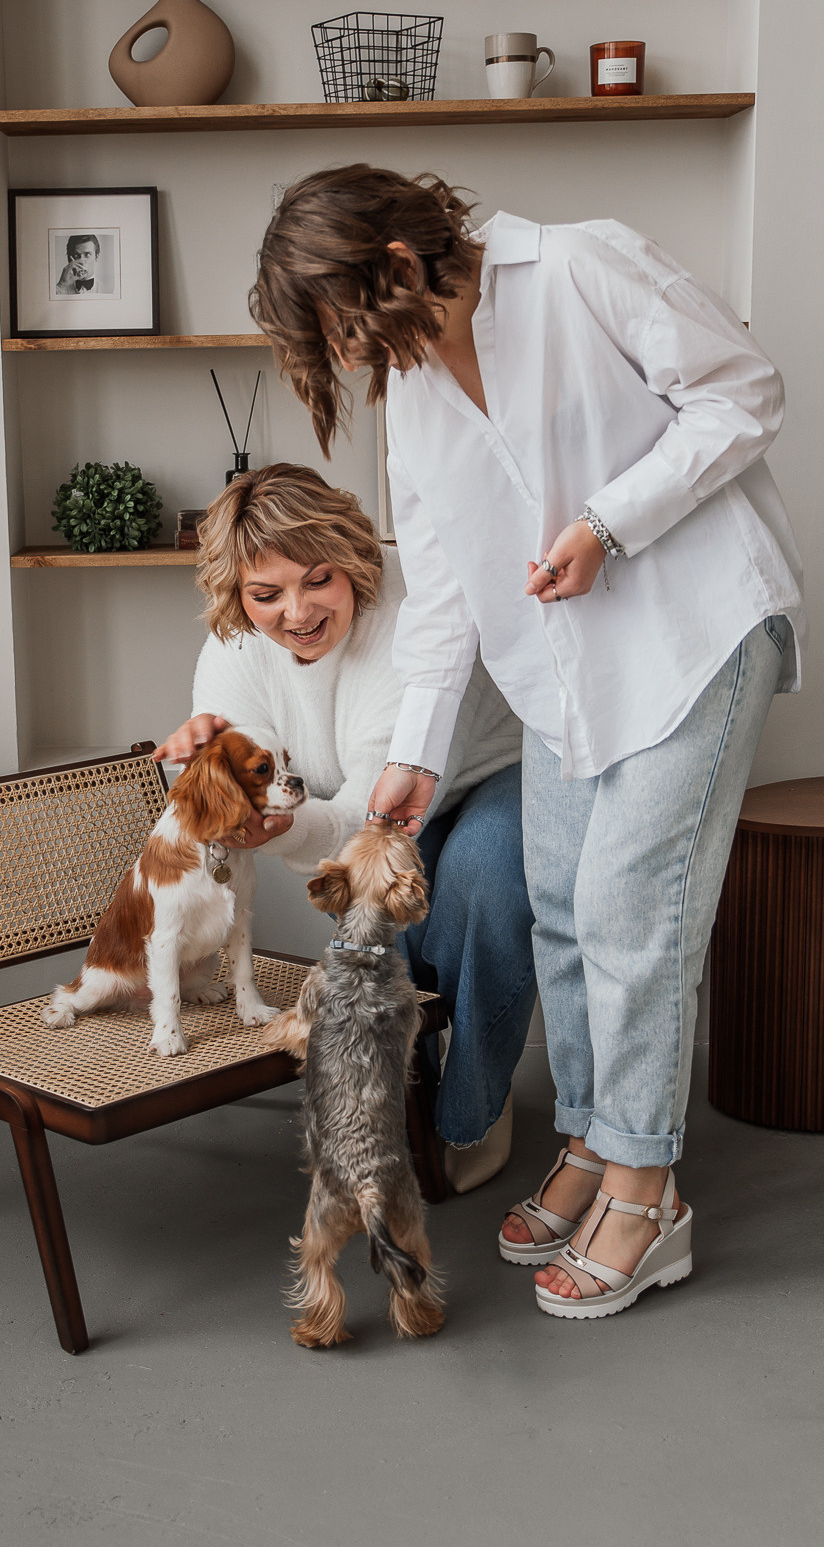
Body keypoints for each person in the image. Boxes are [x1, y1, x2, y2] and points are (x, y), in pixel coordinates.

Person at [250, 166, 805, 1317]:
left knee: (626, 913)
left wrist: (609, 522)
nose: (357, 359)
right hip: (561, 680)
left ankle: (647, 1190)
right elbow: (444, 588)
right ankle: (593, 1143)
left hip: (689, 634)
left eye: (351, 327)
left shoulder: (578, 265)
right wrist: (415, 751)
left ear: (397, 264)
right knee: (559, 907)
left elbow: (741, 394)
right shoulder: (410, 387)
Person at [154, 463, 537, 1190]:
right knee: (392, 930)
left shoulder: (408, 610)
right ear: (237, 594)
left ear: (354, 559)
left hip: (491, 772)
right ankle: (414, 1101)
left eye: (317, 580)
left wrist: (282, 830)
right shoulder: (235, 646)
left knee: (480, 886)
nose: (296, 613)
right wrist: (230, 804)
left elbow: (372, 814)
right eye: (266, 594)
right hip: (372, 810)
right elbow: (243, 771)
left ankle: (475, 1112)